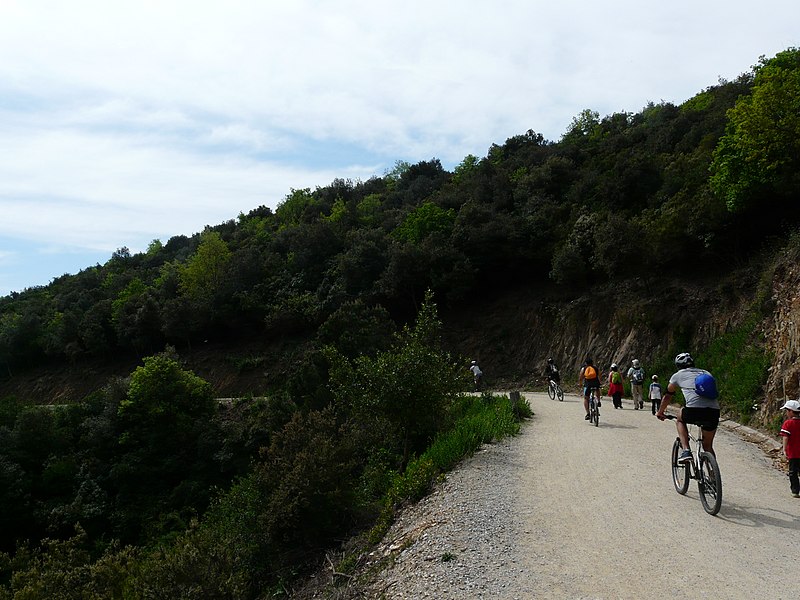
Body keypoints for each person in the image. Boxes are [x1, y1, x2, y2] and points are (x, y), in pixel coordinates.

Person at [656, 352, 720, 463]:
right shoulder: (706, 373)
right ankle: (713, 476)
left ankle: (686, 450)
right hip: (713, 411)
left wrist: (660, 412)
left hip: (693, 410)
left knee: (679, 419)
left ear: (678, 365)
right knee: (708, 446)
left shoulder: (677, 375)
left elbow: (667, 396)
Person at [778, 399, 800, 498]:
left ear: (791, 411)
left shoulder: (788, 423)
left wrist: (784, 449)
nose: (786, 413)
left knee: (793, 472)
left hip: (793, 453)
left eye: (787, 411)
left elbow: (785, 437)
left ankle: (795, 490)